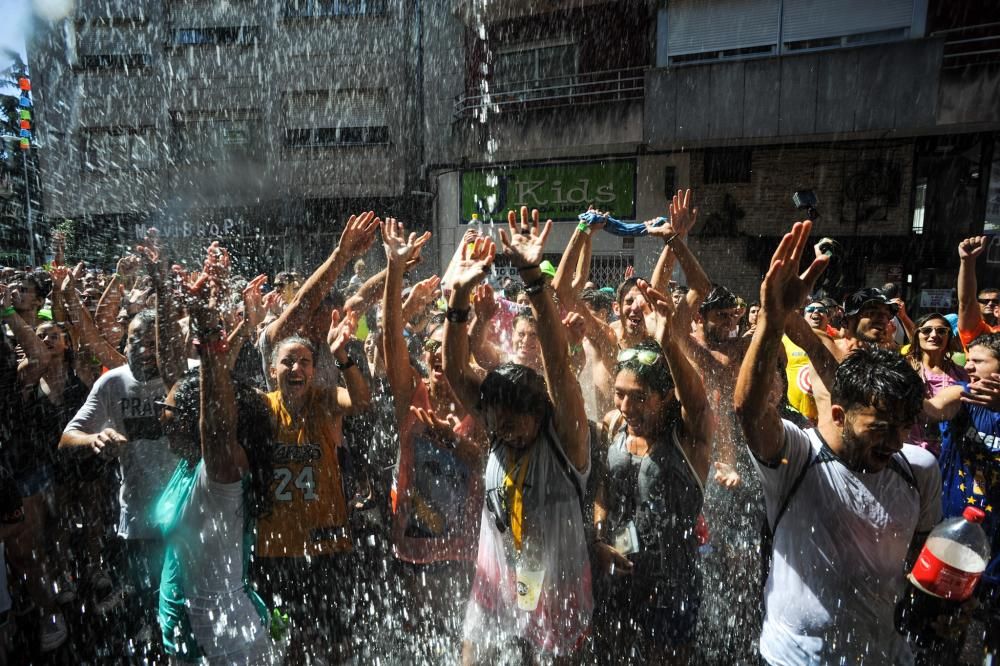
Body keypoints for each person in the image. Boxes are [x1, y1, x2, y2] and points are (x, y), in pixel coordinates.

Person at [735, 220, 942, 665]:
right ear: (836, 415)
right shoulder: (798, 456)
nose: (895, 441)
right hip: (793, 657)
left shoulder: (919, 468)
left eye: (905, 426)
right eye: (881, 426)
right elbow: (750, 412)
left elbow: (922, 561)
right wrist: (771, 322)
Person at [443, 208, 592, 663]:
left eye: (511, 419)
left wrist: (533, 278)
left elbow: (561, 368)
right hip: (494, 589)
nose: (499, 427)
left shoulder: (565, 439)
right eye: (493, 416)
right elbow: (454, 370)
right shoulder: (496, 430)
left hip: (558, 593)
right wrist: (458, 303)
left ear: (538, 412)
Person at [155, 276, 284, 665]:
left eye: (172, 411)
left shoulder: (219, 478)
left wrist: (210, 332)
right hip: (192, 632)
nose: (163, 416)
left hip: (224, 640)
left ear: (197, 422)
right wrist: (163, 291)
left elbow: (217, 425)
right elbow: (173, 373)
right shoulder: (191, 463)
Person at [591, 280, 713, 664]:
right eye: (620, 393)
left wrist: (669, 342)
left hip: (671, 583)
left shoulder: (688, 440)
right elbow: (603, 492)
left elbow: (697, 401)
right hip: (618, 572)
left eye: (639, 396)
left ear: (666, 397)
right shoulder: (613, 427)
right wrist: (597, 538)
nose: (626, 405)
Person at [379, 218, 483, 647]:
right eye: (434, 357)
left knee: (460, 640)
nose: (441, 364)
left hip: (462, 551)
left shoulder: (478, 404)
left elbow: (488, 460)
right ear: (426, 360)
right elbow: (389, 342)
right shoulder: (412, 397)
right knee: (417, 641)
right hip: (414, 547)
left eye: (449, 356)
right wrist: (394, 272)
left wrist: (452, 440)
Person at [60, 309, 181, 653]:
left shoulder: (184, 377)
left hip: (187, 511)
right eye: (135, 339)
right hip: (139, 512)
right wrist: (94, 439)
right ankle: (152, 643)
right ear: (124, 344)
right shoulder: (112, 382)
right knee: (147, 593)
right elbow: (68, 435)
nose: (144, 348)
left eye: (153, 341)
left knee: (182, 594)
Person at [253, 309, 371, 660]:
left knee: (337, 640)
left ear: (314, 371)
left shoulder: (325, 398)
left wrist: (343, 358)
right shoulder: (260, 408)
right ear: (272, 371)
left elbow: (362, 402)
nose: (297, 369)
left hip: (328, 542)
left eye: (305, 362)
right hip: (276, 550)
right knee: (286, 641)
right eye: (288, 362)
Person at [920, 332, 1000, 663]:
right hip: (950, 542)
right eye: (967, 359)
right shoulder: (961, 396)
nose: (968, 367)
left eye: (978, 361)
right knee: (937, 634)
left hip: (995, 548)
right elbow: (934, 409)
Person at [904, 313, 970, 456]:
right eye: (927, 330)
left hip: (949, 452)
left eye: (941, 331)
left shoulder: (960, 373)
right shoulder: (903, 368)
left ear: (948, 336)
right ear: (917, 335)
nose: (934, 335)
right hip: (909, 450)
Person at [956, 236, 999, 348]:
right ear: (977, 304)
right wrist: (967, 261)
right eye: (985, 301)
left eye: (996, 301)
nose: (990, 303)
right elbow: (967, 302)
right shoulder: (976, 331)